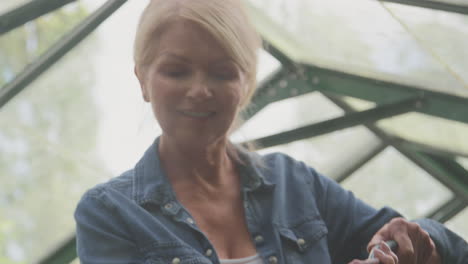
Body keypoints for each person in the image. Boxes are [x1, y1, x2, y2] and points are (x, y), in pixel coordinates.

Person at [74, 0, 468, 263]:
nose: (199, 90)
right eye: (176, 71)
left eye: (222, 72)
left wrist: (415, 244)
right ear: (142, 80)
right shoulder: (110, 214)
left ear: (246, 85)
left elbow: (431, 244)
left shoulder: (294, 183)